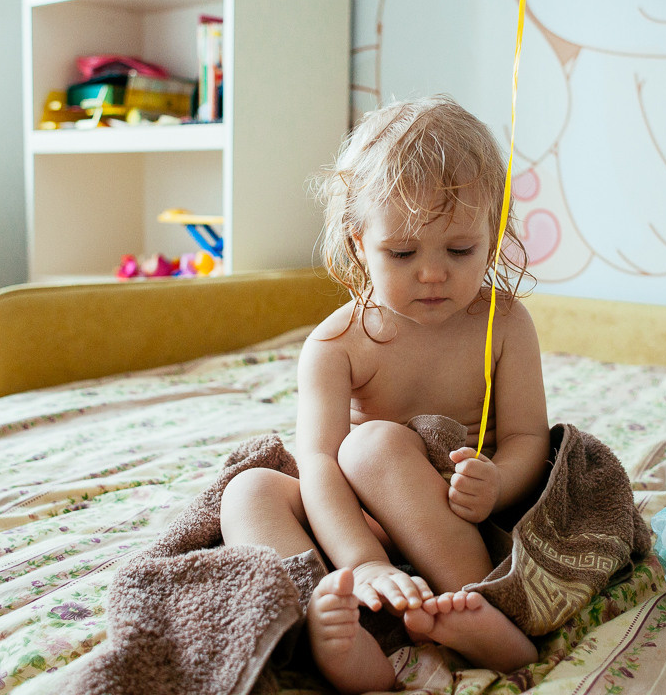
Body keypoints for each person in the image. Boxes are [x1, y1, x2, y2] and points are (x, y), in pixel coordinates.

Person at [219, 95, 549, 693]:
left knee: (372, 446)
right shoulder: (338, 344)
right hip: (358, 521)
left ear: (494, 235)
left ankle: (477, 607)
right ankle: (329, 611)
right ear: (357, 241)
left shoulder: (504, 323)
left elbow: (529, 438)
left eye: (460, 250)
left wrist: (497, 481)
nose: (432, 273)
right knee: (251, 491)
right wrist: (360, 558)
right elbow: (318, 461)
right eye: (401, 253)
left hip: (457, 518)